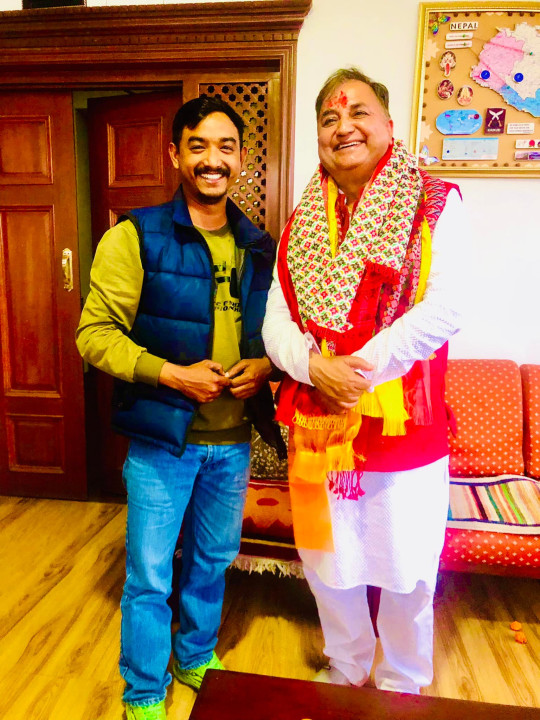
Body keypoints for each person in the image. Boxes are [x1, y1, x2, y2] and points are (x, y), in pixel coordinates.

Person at [76, 96, 285, 720]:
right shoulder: (134, 236)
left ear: (241, 159)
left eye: (225, 147)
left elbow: (277, 334)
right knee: (148, 574)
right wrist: (171, 374)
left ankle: (195, 657)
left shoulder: (259, 245)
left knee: (213, 561)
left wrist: (265, 367)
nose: (212, 160)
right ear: (175, 155)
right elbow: (94, 335)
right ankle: (144, 690)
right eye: (198, 146)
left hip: (233, 442)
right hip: (163, 443)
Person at [262, 68, 466, 694]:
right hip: (317, 425)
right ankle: (347, 667)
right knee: (327, 561)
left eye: (358, 113)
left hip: (404, 426)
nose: (343, 127)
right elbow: (275, 321)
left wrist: (356, 370)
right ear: (318, 136)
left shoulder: (434, 202)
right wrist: (313, 367)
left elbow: (446, 308)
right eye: (329, 118)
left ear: (388, 125)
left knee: (407, 565)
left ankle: (403, 681)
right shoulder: (300, 223)